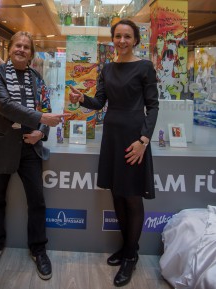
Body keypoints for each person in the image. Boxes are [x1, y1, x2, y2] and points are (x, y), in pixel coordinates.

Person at [69, 19, 159, 287]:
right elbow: (99, 102)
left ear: (135, 40)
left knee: (131, 197)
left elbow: (153, 107)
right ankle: (127, 247)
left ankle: (131, 255)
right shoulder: (107, 68)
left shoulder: (145, 67)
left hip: (134, 138)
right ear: (112, 39)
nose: (122, 41)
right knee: (117, 195)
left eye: (127, 36)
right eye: (118, 36)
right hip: (111, 137)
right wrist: (81, 99)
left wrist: (144, 140)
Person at [0, 31, 67, 279]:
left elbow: (46, 107)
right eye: (18, 45)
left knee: (37, 201)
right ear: (9, 48)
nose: (21, 49)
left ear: (31, 53)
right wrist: (41, 119)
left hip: (30, 147)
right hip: (1, 146)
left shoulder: (37, 78)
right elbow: (4, 105)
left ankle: (38, 250)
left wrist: (41, 131)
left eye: (26, 47)